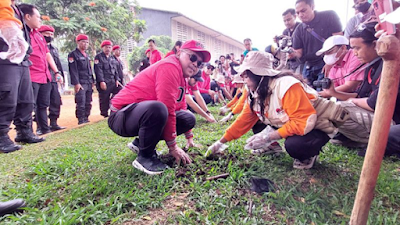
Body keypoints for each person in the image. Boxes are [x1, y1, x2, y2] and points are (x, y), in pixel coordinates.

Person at [207, 51, 332, 169]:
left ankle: (308, 154)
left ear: (258, 75)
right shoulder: (256, 92)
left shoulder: (287, 85)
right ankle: (273, 147)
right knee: (255, 120)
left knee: (294, 146)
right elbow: (243, 120)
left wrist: (269, 137)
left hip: (316, 125)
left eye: (246, 75)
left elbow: (303, 122)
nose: (243, 79)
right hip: (292, 122)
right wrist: (220, 142)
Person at [108, 40, 211, 175]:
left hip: (136, 114)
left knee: (188, 118)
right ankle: (145, 157)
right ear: (179, 53)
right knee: (159, 109)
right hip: (120, 114)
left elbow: (181, 107)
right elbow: (167, 108)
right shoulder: (170, 66)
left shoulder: (182, 75)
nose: (195, 64)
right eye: (192, 57)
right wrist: (173, 147)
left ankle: (141, 144)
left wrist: (189, 138)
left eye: (199, 63)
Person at [0, 0, 44, 153]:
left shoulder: (17, 8)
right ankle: (1, 136)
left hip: (22, 59)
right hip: (5, 58)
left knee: (26, 99)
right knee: (7, 97)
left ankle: (24, 131)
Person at [20, 3, 62, 136]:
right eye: (37, 17)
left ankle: (45, 128)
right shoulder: (22, 33)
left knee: (43, 104)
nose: (39, 20)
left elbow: (47, 54)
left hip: (45, 75)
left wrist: (56, 72)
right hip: (31, 75)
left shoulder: (38, 35)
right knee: (28, 105)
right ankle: (25, 132)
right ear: (27, 16)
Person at [290, 0, 342, 89]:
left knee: (322, 94)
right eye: (297, 13)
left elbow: (339, 40)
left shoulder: (329, 16)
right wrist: (293, 54)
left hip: (326, 63)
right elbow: (299, 52)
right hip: (308, 66)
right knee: (306, 94)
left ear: (312, 7)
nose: (300, 15)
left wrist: (330, 62)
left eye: (303, 11)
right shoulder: (298, 30)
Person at [38, 25, 65, 131]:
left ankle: (53, 123)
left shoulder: (54, 49)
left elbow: (58, 64)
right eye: (47, 34)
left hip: (53, 78)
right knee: (42, 102)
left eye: (51, 34)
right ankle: (41, 126)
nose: (49, 36)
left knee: (55, 101)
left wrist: (60, 75)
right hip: (42, 78)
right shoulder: (38, 46)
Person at [68, 34, 94, 125]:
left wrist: (92, 81)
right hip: (81, 82)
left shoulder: (87, 55)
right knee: (81, 101)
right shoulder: (73, 54)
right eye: (83, 42)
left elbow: (90, 69)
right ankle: (81, 119)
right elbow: (73, 70)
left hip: (88, 82)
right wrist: (76, 83)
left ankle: (86, 118)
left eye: (87, 42)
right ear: (78, 42)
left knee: (88, 101)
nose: (85, 44)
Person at [94, 40, 122, 118]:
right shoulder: (98, 57)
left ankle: (114, 106)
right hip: (104, 81)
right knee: (104, 98)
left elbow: (115, 70)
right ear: (102, 48)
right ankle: (105, 114)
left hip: (113, 81)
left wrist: (117, 79)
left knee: (120, 91)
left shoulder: (112, 58)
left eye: (109, 47)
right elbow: (98, 70)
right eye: (106, 47)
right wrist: (101, 81)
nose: (108, 49)